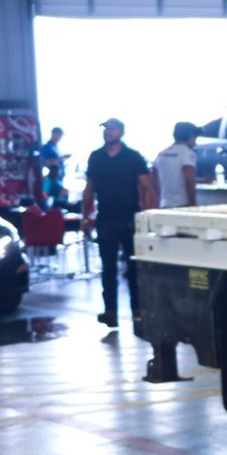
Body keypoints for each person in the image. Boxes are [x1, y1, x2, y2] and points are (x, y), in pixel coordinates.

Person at [82, 118, 148, 328]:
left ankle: (138, 309)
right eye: (105, 129)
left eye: (111, 129)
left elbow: (146, 187)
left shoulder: (133, 157)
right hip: (106, 219)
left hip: (130, 218)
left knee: (134, 267)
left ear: (120, 132)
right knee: (108, 268)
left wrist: (146, 216)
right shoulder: (96, 157)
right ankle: (110, 311)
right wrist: (85, 217)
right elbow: (89, 189)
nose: (107, 133)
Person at [151, 122, 199, 209]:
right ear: (191, 136)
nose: (195, 143)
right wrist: (194, 205)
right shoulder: (187, 154)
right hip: (182, 204)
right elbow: (189, 182)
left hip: (165, 204)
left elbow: (154, 180)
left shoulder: (161, 154)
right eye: (195, 138)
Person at [39, 126, 67, 203]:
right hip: (52, 180)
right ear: (54, 134)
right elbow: (45, 162)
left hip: (58, 179)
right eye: (59, 135)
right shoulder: (47, 147)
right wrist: (60, 159)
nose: (60, 137)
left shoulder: (56, 147)